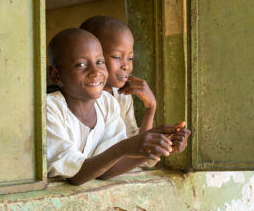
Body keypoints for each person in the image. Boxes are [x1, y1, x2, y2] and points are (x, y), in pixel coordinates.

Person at [46, 28, 190, 185]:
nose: (95, 71)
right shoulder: (49, 109)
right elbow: (75, 176)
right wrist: (124, 148)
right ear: (56, 75)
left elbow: (106, 169)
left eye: (99, 62)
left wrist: (158, 146)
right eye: (81, 64)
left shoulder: (107, 103)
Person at [80, 16, 190, 152]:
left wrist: (151, 108)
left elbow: (138, 150)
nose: (126, 66)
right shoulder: (79, 101)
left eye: (130, 58)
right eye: (116, 56)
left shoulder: (122, 97)